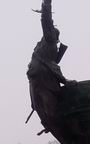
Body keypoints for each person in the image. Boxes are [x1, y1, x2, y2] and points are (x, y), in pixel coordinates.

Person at [27, 0, 74, 136]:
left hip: (46, 82)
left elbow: (46, 20)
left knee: (52, 114)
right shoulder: (43, 46)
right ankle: (65, 140)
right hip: (35, 79)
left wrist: (46, 4)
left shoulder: (50, 40)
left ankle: (69, 135)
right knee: (40, 111)